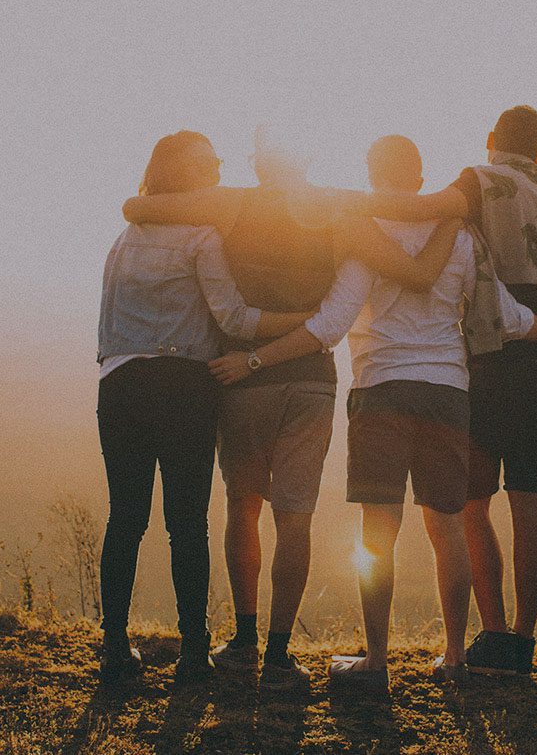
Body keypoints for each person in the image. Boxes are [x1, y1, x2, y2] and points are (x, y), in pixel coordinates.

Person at [208, 134, 537, 689]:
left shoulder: (363, 234)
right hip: (448, 394)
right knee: (448, 530)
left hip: (381, 391)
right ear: (419, 179)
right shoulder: (460, 237)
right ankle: (456, 656)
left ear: (372, 174)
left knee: (377, 534)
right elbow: (508, 317)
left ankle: (377, 662)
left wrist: (255, 359)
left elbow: (331, 325)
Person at [120, 129, 461, 691]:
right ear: (305, 158)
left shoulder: (231, 203)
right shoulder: (338, 209)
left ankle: (244, 639)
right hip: (311, 380)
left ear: (258, 165)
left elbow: (141, 206)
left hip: (241, 377)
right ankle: (280, 655)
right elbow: (409, 268)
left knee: (243, 506)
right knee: (295, 516)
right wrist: (454, 216)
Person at [341, 107, 537, 675]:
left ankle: (491, 634)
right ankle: (520, 643)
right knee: (531, 496)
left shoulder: (481, 181)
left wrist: (338, 204)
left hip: (493, 356)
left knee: (468, 505)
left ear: (491, 141)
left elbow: (424, 210)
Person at [96, 130, 310, 684]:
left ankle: (115, 649)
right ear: (187, 175)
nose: (218, 167)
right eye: (209, 162)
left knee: (125, 518)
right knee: (186, 523)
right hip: (184, 385)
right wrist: (306, 322)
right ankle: (194, 655)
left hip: (119, 383)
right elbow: (235, 321)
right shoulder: (202, 236)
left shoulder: (125, 237)